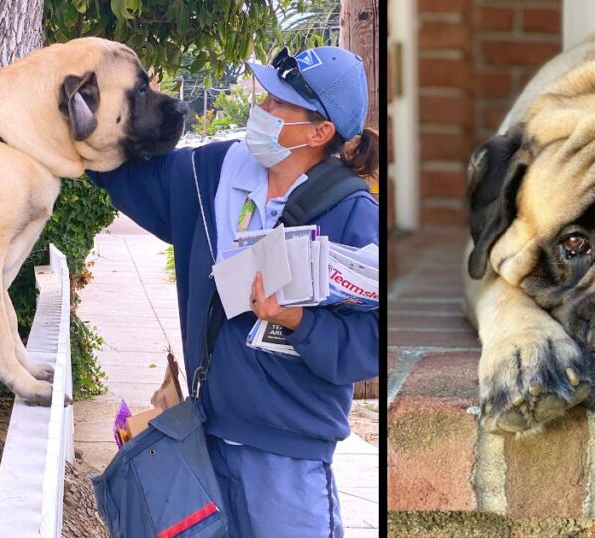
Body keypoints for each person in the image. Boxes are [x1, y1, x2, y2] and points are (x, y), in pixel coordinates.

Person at [87, 45, 379, 537]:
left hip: (289, 457)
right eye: (265, 97)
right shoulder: (213, 172)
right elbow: (122, 172)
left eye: (278, 105)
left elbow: (374, 342)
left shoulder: (351, 215)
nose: (260, 111)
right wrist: (96, 112)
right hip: (207, 435)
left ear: (319, 132)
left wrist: (298, 321)